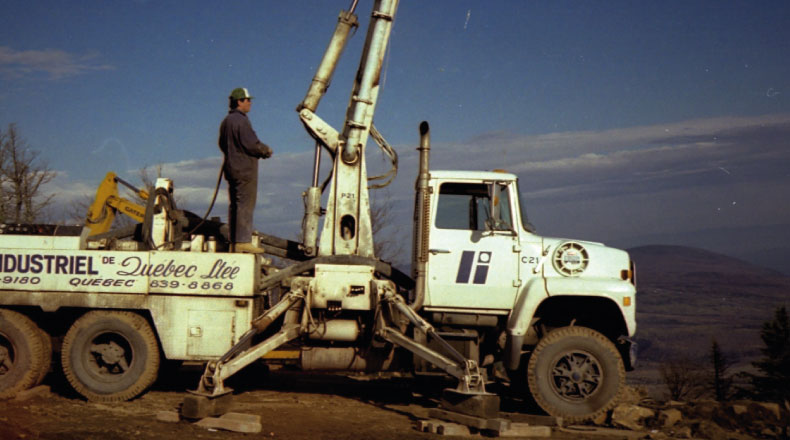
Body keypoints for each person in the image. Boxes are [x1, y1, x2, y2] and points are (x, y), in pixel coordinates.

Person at [218, 87, 273, 253]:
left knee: (235, 204)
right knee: (245, 204)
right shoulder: (241, 121)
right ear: (239, 101)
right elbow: (251, 144)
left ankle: (235, 242)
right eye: (247, 100)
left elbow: (221, 144)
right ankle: (243, 242)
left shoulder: (226, 121)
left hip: (231, 168)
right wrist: (265, 150)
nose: (250, 103)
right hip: (245, 169)